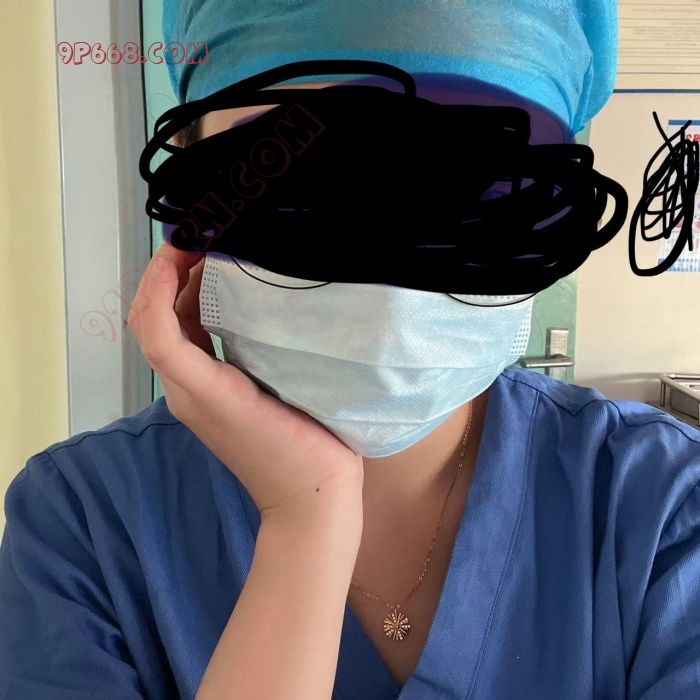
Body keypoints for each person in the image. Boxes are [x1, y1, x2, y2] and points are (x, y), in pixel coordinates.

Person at [2, 2, 700, 699]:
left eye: (471, 189)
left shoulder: (667, 508)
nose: (390, 289)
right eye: (307, 185)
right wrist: (304, 518)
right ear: (196, 198)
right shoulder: (81, 526)